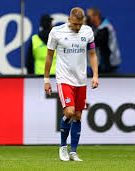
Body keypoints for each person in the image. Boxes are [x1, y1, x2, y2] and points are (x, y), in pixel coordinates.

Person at [44, 7, 99, 161]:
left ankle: (73, 152)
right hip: (64, 79)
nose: (77, 28)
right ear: (69, 20)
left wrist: (95, 75)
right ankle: (63, 147)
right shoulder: (56, 32)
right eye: (75, 24)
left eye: (80, 25)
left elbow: (92, 54)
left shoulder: (87, 32)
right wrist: (46, 80)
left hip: (81, 79)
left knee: (78, 116)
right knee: (69, 112)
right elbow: (49, 57)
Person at [86, 8, 121, 73]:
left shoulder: (105, 28)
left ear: (95, 16)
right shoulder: (94, 28)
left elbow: (97, 42)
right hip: (98, 64)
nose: (86, 19)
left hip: (107, 65)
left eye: (88, 17)